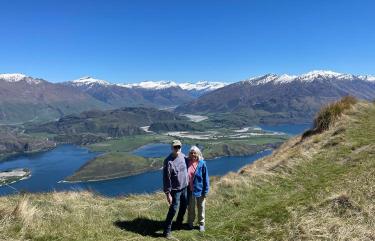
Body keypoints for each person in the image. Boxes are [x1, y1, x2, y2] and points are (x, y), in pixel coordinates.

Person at [162, 140, 188, 238]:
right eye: (175, 147)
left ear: (181, 147)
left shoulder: (183, 156)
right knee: (173, 209)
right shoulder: (168, 161)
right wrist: (168, 194)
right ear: (171, 148)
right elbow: (166, 179)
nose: (177, 149)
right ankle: (166, 232)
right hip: (175, 191)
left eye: (178, 147)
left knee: (184, 206)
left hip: (184, 187)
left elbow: (190, 161)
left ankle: (178, 224)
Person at [186, 146, 209, 232]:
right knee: (191, 208)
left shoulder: (202, 163)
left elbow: (206, 178)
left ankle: (201, 224)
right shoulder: (187, 162)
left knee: (201, 208)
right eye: (191, 153)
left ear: (198, 153)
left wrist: (206, 191)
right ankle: (190, 223)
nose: (193, 154)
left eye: (195, 152)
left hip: (200, 190)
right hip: (190, 190)